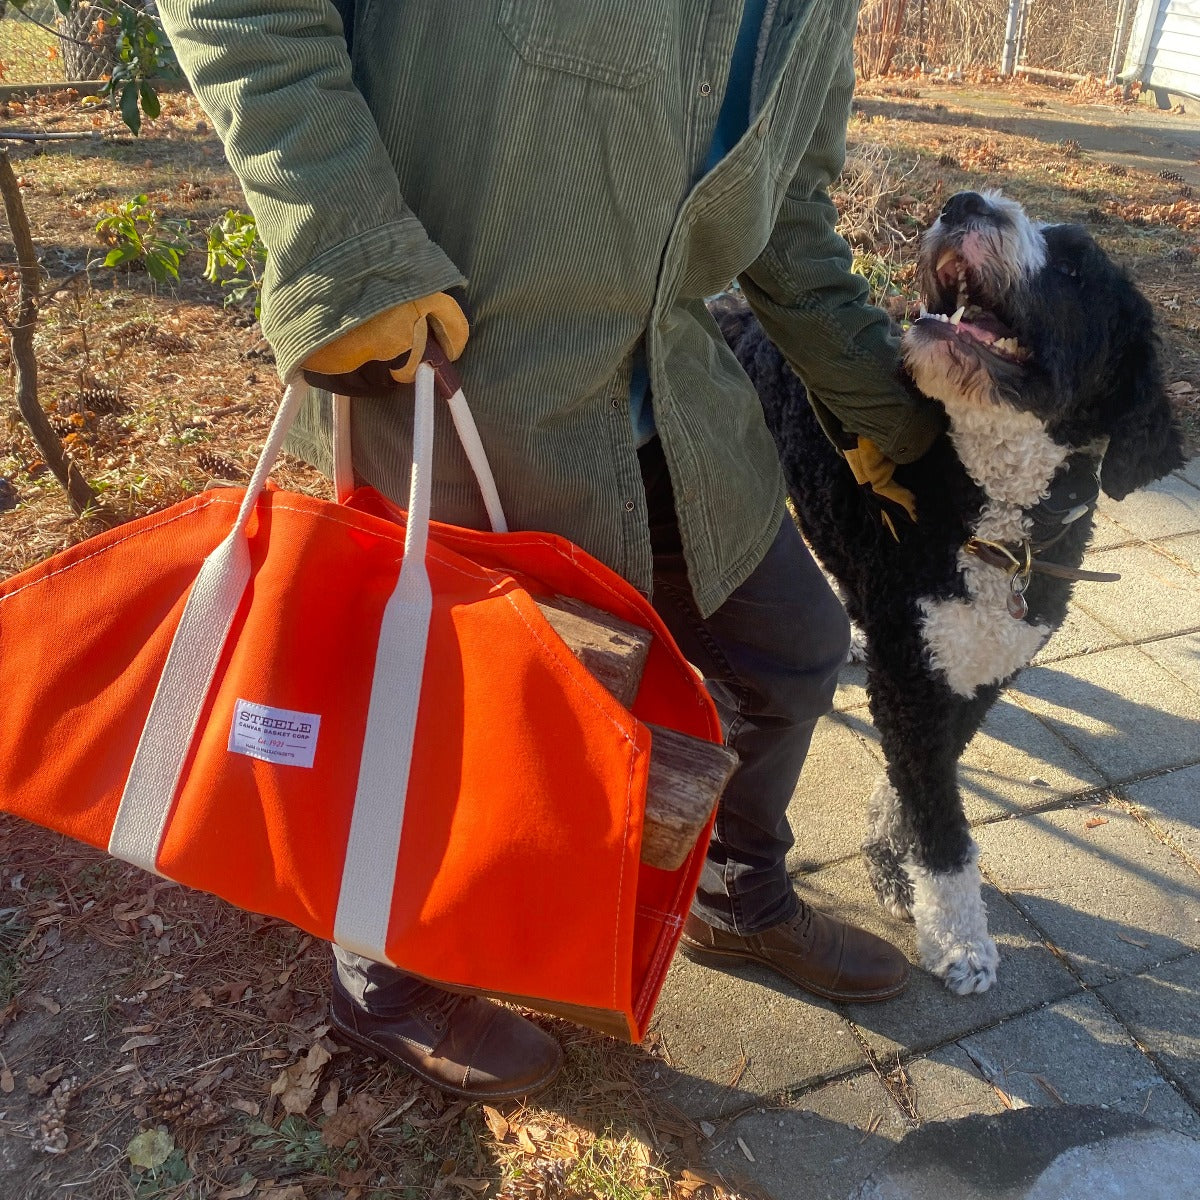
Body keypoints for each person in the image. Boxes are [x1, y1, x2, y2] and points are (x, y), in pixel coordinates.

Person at [157, 0, 945, 1102]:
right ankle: (383, 981)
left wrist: (912, 432)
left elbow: (794, 225)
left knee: (792, 648)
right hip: (456, 378)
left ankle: (732, 892)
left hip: (672, 389)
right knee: (442, 703)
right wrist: (345, 245)